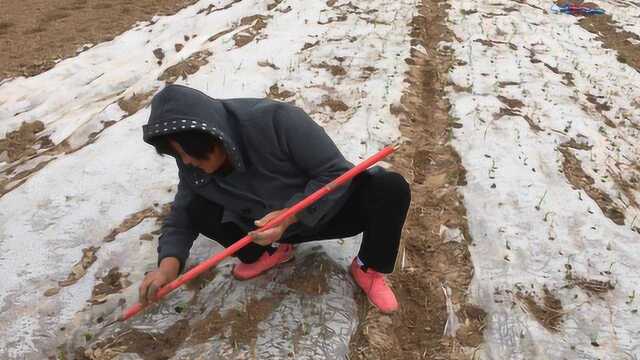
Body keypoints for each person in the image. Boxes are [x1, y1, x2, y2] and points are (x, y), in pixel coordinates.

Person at [138, 85, 410, 313]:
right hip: (263, 231)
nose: (186, 162)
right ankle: (270, 253)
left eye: (192, 153)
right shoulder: (191, 163)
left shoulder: (277, 120)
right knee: (197, 206)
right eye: (178, 155)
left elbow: (335, 172)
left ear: (212, 135)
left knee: (389, 187)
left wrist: (290, 214)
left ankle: (368, 268)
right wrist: (166, 268)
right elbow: (183, 215)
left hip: (326, 213)